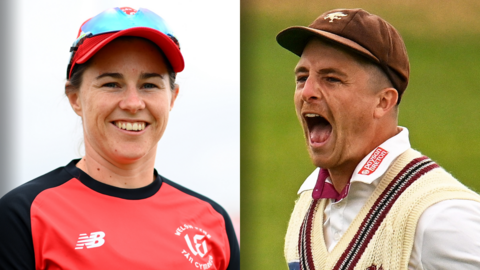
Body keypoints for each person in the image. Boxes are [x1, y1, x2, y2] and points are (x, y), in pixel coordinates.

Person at [0, 7, 239, 270]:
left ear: (172, 97)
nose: (133, 103)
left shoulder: (211, 221)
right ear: (75, 98)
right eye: (111, 84)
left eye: (149, 85)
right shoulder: (24, 215)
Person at [276, 8, 480, 270]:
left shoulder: (440, 215)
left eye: (331, 79)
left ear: (383, 101)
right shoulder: (307, 205)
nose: (308, 92)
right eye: (302, 78)